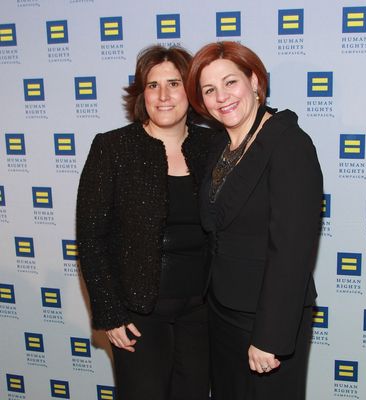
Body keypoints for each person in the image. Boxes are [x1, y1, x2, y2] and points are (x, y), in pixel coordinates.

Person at [185, 41, 323, 400]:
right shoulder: (221, 146)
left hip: (266, 318)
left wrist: (269, 336)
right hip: (222, 309)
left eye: (230, 82)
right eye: (209, 90)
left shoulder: (289, 143)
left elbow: (292, 249)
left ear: (255, 81)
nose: (221, 97)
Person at [76, 45, 214, 400]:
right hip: (138, 317)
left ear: (192, 92)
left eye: (174, 83)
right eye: (153, 85)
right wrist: (109, 313)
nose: (164, 95)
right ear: (142, 95)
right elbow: (92, 239)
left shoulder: (213, 147)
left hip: (202, 315)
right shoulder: (113, 148)